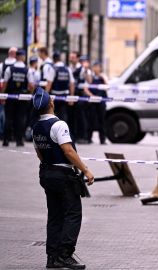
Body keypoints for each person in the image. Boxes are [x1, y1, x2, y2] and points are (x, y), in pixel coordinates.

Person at [32, 87, 94, 269]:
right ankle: (65, 255)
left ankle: (52, 257)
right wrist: (86, 170)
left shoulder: (36, 127)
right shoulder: (59, 125)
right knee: (73, 213)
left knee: (55, 215)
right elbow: (68, 151)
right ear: (51, 103)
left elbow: (39, 154)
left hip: (46, 173)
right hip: (62, 175)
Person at [1, 49, 35, 147]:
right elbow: (31, 85)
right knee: (20, 119)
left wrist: (2, 96)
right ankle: (19, 140)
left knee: (8, 118)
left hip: (10, 96)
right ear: (23, 57)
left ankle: (6, 140)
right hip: (23, 97)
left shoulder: (9, 69)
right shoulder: (27, 70)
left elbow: (5, 84)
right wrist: (29, 94)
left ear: (16, 57)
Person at [44, 51, 75, 122]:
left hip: (55, 96)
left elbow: (49, 83)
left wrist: (45, 96)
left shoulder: (53, 68)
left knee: (54, 115)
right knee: (64, 115)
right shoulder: (67, 69)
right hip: (65, 96)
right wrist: (72, 96)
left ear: (54, 59)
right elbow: (72, 83)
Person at [69, 53, 92, 143]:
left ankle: (83, 136)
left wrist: (85, 70)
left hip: (82, 95)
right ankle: (73, 135)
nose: (71, 59)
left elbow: (90, 81)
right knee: (72, 116)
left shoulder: (84, 69)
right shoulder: (70, 68)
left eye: (73, 57)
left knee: (82, 116)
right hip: (73, 94)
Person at [87, 61, 107, 144]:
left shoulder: (103, 77)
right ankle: (89, 138)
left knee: (102, 120)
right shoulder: (91, 76)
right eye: (94, 67)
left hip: (101, 101)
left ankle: (102, 139)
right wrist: (92, 95)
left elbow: (106, 86)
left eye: (98, 67)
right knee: (91, 120)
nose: (96, 68)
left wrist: (103, 77)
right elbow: (86, 87)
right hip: (93, 101)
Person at [0, 47, 17, 140]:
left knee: (5, 115)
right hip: (15, 94)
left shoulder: (2, 65)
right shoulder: (18, 65)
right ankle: (13, 135)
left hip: (6, 93)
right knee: (13, 115)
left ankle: (4, 135)